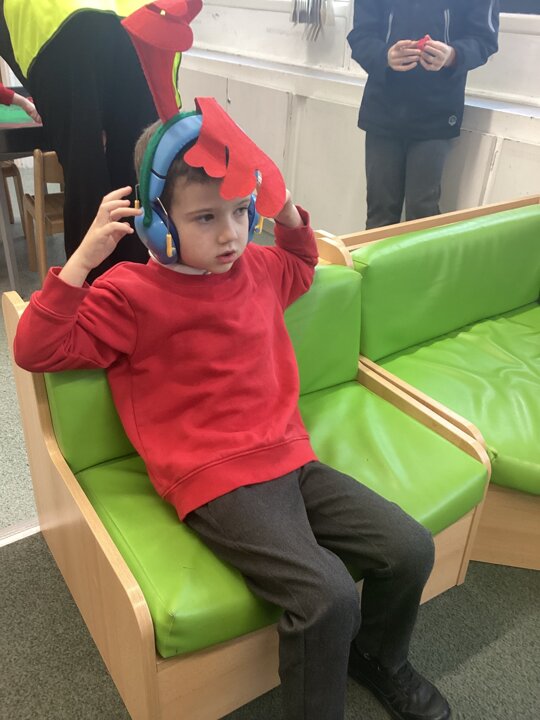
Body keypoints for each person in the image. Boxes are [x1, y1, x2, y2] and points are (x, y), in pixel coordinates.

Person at [14, 98, 450, 720]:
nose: (231, 234)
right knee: (326, 596)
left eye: (242, 211)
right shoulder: (128, 295)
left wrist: (284, 203)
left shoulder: (259, 267)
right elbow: (36, 348)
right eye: (205, 217)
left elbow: (301, 261)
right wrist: (83, 259)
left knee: (409, 547)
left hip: (291, 460)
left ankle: (380, 659)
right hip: (216, 481)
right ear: (157, 222)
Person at [0, 2, 160, 281]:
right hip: (139, 22)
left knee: (90, 179)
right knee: (137, 176)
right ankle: (133, 287)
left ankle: (99, 293)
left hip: (59, 30)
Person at [348, 0, 500, 229]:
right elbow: (361, 35)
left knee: (422, 212)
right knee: (380, 214)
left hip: (436, 111)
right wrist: (384, 56)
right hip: (384, 108)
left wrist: (453, 55)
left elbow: (485, 39)